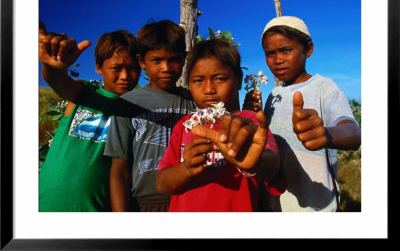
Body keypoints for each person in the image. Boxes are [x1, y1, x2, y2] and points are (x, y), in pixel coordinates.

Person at [244, 15, 361, 212]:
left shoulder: (324, 87)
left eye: (285, 50)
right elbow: (267, 141)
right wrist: (254, 116)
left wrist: (326, 134)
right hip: (274, 205)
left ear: (308, 49)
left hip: (316, 207)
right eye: (270, 53)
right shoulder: (273, 95)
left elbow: (353, 133)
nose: (277, 59)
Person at [156, 37, 286, 212]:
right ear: (189, 84)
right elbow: (162, 183)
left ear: (238, 81)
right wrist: (185, 169)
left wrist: (255, 164)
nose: (209, 89)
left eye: (219, 79)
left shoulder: (248, 121)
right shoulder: (185, 125)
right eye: (198, 80)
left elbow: (273, 164)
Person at [39, 22, 141, 211]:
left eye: (133, 68)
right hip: (46, 206)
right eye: (116, 68)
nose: (125, 75)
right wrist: (53, 66)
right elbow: (57, 80)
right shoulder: (84, 92)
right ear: (98, 67)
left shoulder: (137, 112)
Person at [104, 20, 197, 212]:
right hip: (144, 204)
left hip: (189, 198)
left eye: (174, 59)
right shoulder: (128, 103)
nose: (166, 68)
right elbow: (119, 169)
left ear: (183, 59)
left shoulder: (193, 102)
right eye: (157, 60)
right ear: (141, 61)